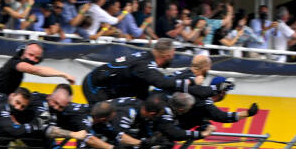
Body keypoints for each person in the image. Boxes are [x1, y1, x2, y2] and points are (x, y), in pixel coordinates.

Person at [81, 38, 216, 104]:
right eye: (173, 56)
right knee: (104, 118)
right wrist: (191, 80)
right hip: (95, 86)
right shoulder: (145, 66)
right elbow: (162, 83)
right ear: (166, 56)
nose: (172, 59)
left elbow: (142, 90)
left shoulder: (147, 59)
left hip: (105, 85)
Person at [0, 42, 76, 95]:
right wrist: (63, 74)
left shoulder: (19, 71)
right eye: (30, 55)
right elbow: (36, 70)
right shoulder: (15, 63)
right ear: (23, 52)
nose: (32, 59)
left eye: (36, 58)